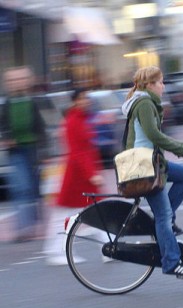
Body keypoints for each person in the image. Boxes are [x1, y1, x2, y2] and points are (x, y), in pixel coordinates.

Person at [121, 66, 183, 278]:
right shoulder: (144, 103)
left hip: (153, 163)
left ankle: (166, 224)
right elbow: (153, 134)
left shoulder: (147, 102)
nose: (164, 86)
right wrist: (181, 148)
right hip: (143, 167)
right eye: (161, 82)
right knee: (162, 216)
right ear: (150, 85)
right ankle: (171, 261)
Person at [43, 89, 105, 265]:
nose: (87, 101)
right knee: (67, 215)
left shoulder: (80, 119)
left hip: (81, 175)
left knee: (96, 211)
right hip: (78, 177)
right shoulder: (73, 121)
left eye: (87, 98)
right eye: (83, 98)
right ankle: (57, 251)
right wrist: (92, 174)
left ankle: (107, 246)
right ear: (75, 101)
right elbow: (78, 152)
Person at [0, 66, 46, 242]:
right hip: (16, 150)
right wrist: (6, 137)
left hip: (32, 149)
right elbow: (3, 124)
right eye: (12, 80)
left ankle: (32, 222)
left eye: (19, 79)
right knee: (21, 187)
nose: (16, 83)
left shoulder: (32, 101)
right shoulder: (7, 103)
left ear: (27, 81)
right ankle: (22, 227)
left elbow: (40, 126)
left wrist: (44, 150)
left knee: (33, 188)